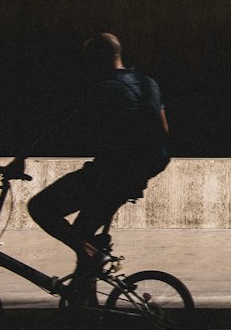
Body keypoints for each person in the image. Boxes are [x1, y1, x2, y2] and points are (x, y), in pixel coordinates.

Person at [18, 33, 171, 301]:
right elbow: (164, 131)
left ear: (97, 59)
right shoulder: (148, 83)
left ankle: (91, 254)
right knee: (82, 234)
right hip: (135, 175)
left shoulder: (100, 87)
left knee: (40, 208)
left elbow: (63, 128)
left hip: (109, 172)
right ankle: (85, 305)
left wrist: (21, 158)